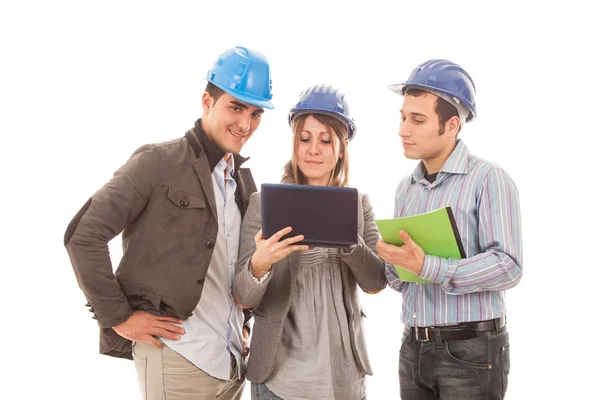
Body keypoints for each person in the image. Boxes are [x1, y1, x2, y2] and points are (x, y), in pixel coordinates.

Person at [64, 46, 274, 400]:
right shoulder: (158, 163)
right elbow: (84, 235)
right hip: (178, 358)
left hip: (232, 365)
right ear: (207, 102)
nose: (245, 124)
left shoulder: (243, 183)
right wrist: (119, 317)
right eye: (235, 107)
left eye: (255, 113)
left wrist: (243, 324)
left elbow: (233, 273)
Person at [375, 59, 523, 399]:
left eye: (417, 120)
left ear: (451, 124)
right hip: (413, 348)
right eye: (402, 117)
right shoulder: (406, 188)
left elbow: (509, 266)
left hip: (471, 353)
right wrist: (392, 261)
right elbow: (400, 279)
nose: (403, 130)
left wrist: (429, 267)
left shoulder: (488, 179)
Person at [233, 84, 387, 400]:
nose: (313, 149)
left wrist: (349, 241)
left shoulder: (359, 205)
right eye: (305, 139)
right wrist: (260, 262)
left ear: (341, 148)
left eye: (325, 140)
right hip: (280, 380)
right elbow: (243, 296)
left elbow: (376, 282)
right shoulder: (264, 205)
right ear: (295, 144)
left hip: (343, 379)